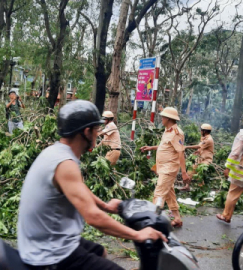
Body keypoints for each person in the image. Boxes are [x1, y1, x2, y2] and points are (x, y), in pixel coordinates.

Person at [17, 100, 166, 270]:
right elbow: (93, 217)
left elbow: (79, 188)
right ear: (86, 132)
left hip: (48, 239)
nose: (98, 133)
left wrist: (105, 206)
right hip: (49, 253)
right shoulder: (65, 164)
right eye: (96, 130)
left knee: (99, 251)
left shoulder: (56, 152)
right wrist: (138, 235)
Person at [140, 107, 191, 228]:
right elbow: (165, 147)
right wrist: (151, 148)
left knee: (159, 194)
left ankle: (153, 222)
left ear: (168, 118)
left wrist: (184, 172)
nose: (161, 118)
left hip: (169, 169)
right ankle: (177, 218)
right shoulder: (167, 131)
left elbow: (180, 152)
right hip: (163, 168)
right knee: (169, 193)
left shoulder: (176, 133)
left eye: (163, 117)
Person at [181, 123, 215, 191]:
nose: (200, 131)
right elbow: (202, 147)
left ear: (204, 131)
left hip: (206, 160)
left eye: (201, 130)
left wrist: (186, 147)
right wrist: (198, 151)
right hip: (200, 158)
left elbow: (198, 146)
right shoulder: (204, 138)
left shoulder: (208, 139)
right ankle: (187, 186)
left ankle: (202, 190)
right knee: (190, 171)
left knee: (199, 173)